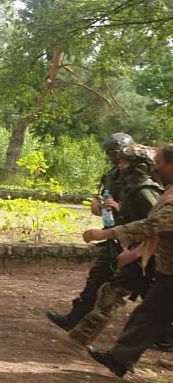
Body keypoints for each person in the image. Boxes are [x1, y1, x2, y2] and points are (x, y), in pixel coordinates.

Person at [82, 143, 173, 377]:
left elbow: (150, 225)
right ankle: (119, 360)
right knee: (148, 313)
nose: (154, 167)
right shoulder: (167, 190)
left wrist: (106, 234)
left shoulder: (154, 193)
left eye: (159, 163)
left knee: (150, 312)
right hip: (168, 270)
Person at [62, 145, 162, 348]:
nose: (120, 165)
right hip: (136, 253)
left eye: (125, 162)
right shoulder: (131, 187)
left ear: (139, 166)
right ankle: (80, 338)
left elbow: (156, 229)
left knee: (148, 301)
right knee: (114, 292)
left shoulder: (145, 192)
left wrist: (134, 254)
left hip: (149, 256)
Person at [47, 132, 133, 330]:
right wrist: (99, 205)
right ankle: (74, 320)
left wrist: (120, 207)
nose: (113, 156)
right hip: (111, 236)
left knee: (145, 288)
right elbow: (102, 203)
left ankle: (164, 334)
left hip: (133, 239)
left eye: (116, 152)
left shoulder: (141, 179)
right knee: (96, 279)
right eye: (110, 152)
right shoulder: (111, 176)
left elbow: (150, 214)